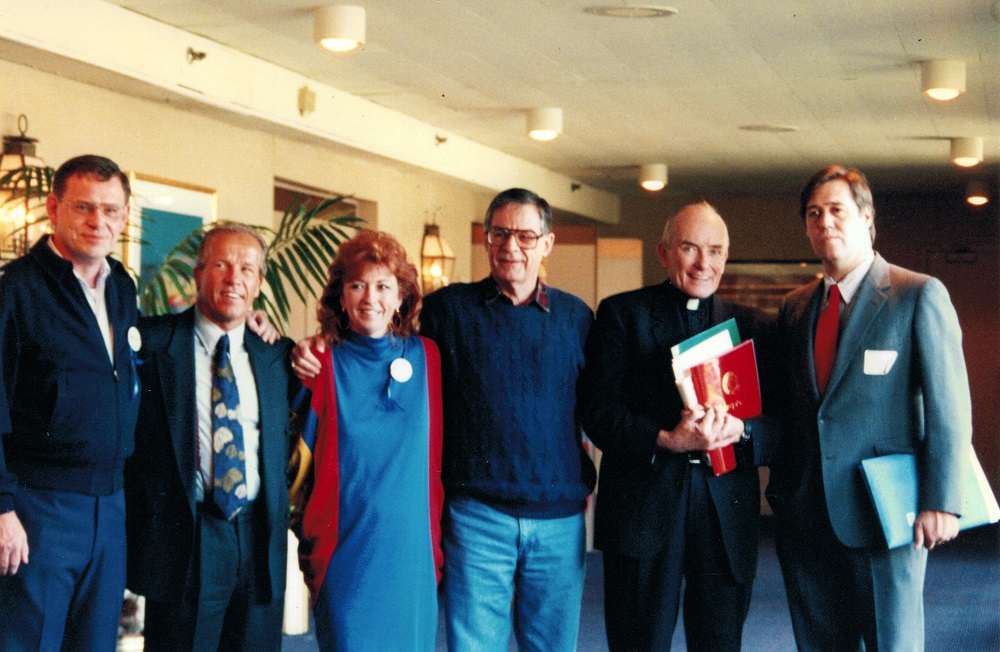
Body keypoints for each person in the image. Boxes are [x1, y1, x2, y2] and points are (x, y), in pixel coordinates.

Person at [291, 187, 596, 651]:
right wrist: (316, 343)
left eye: (526, 236)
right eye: (499, 234)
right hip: (477, 518)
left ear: (547, 243)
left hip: (557, 520)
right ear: (487, 240)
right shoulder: (449, 310)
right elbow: (378, 331)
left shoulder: (577, 317)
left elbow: (596, 405)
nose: (511, 246)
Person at [766, 165, 972, 651]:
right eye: (814, 214)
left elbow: (949, 408)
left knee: (892, 643)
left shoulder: (917, 294)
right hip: (807, 515)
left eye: (837, 210)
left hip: (886, 514)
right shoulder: (795, 307)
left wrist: (942, 500)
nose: (825, 222)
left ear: (866, 218)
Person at [580, 202, 776, 651]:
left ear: (726, 256)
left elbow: (781, 427)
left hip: (725, 513)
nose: (703, 263)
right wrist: (666, 439)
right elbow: (597, 412)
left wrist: (742, 432)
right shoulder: (621, 314)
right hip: (643, 509)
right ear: (664, 253)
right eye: (689, 248)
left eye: (715, 251)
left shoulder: (754, 327)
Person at [124, 223, 296, 651]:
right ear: (198, 273)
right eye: (221, 264)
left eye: (247, 268)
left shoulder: (276, 355)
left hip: (259, 538)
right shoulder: (151, 344)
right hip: (186, 538)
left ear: (258, 284)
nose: (234, 278)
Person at [0, 155, 139, 651]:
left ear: (124, 216)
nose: (98, 221)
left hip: (110, 505)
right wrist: (2, 507)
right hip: (39, 507)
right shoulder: (16, 289)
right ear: (53, 208)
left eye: (111, 210)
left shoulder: (122, 287)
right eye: (84, 207)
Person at [288, 229, 443, 650]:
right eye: (357, 285)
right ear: (341, 297)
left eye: (383, 287)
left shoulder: (427, 357)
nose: (370, 298)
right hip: (346, 554)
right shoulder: (320, 361)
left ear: (401, 297)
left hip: (411, 555)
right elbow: (295, 466)